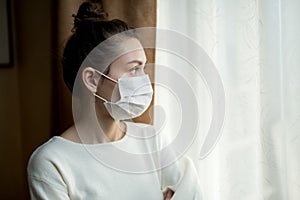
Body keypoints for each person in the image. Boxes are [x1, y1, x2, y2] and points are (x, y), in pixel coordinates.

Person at [27, 1, 202, 199]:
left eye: (143, 68)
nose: (144, 80)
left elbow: (193, 192)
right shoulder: (52, 162)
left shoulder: (152, 140)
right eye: (133, 69)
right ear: (92, 79)